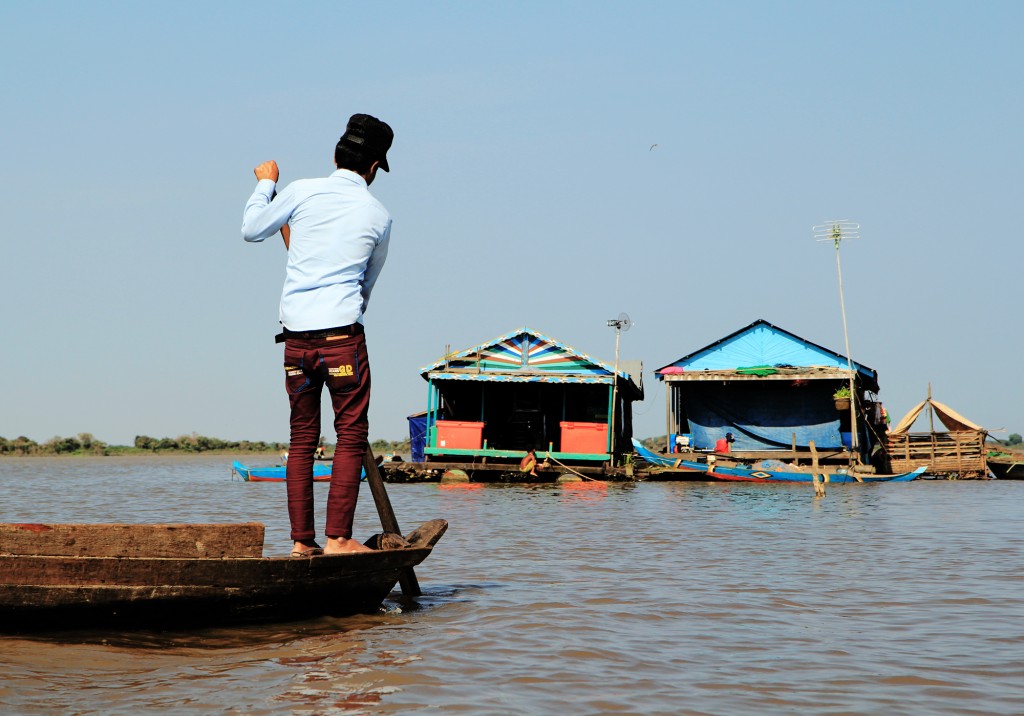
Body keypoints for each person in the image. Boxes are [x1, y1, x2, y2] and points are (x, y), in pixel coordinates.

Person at [242, 113, 394, 557]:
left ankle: (301, 544)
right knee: (350, 435)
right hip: (342, 340)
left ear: (336, 156)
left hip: (296, 343)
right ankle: (339, 539)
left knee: (302, 439)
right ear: (373, 169)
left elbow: (252, 230)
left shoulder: (301, 191)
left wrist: (265, 183)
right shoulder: (379, 215)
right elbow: (366, 286)